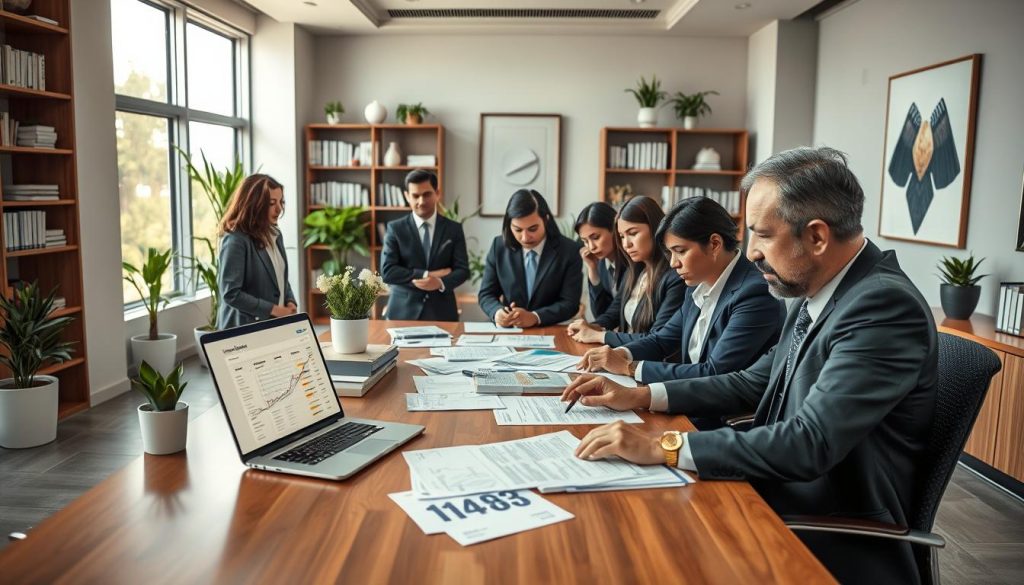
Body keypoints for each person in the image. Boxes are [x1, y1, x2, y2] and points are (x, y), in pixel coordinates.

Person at [562, 147, 938, 585]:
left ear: (816, 237)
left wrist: (664, 446)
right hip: (769, 492)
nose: (752, 253)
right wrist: (640, 395)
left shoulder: (882, 305)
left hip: (823, 529)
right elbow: (751, 381)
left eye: (762, 235)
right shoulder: (818, 291)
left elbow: (808, 443)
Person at [576, 197, 784, 384]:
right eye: (670, 253)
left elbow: (715, 372)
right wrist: (620, 354)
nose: (674, 264)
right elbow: (663, 339)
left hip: (719, 416)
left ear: (714, 244)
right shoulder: (696, 284)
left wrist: (629, 367)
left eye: (680, 251)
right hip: (685, 398)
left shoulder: (755, 292)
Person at [567, 196, 684, 345]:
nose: (626, 244)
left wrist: (599, 336)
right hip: (625, 356)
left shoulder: (675, 277)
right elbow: (612, 314)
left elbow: (657, 340)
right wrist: (589, 326)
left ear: (655, 228)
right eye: (622, 236)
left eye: (633, 233)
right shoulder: (636, 271)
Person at [477, 189, 582, 328]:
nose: (525, 237)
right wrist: (497, 312)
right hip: (510, 332)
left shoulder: (569, 250)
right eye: (518, 230)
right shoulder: (499, 247)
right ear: (509, 225)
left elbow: (570, 303)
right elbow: (486, 294)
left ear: (546, 220)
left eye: (532, 229)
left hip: (552, 330)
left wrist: (535, 317)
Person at [380, 169, 469, 321]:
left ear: (437, 193)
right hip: (402, 312)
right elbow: (388, 272)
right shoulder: (395, 229)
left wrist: (440, 282)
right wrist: (428, 275)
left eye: (427, 194)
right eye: (415, 196)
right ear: (407, 196)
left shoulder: (453, 229)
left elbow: (463, 271)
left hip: (443, 312)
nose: (421, 201)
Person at [217, 174, 297, 329]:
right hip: (243, 331)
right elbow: (231, 294)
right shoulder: (236, 240)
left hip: (272, 326)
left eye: (281, 202)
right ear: (254, 204)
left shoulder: (275, 234)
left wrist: (290, 300)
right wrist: (275, 310)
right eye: (272, 203)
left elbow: (279, 277)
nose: (279, 209)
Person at [573, 202, 624, 319]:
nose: (591, 247)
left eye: (595, 238)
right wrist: (592, 269)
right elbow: (599, 313)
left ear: (615, 229)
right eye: (585, 241)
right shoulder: (600, 263)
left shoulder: (633, 262)